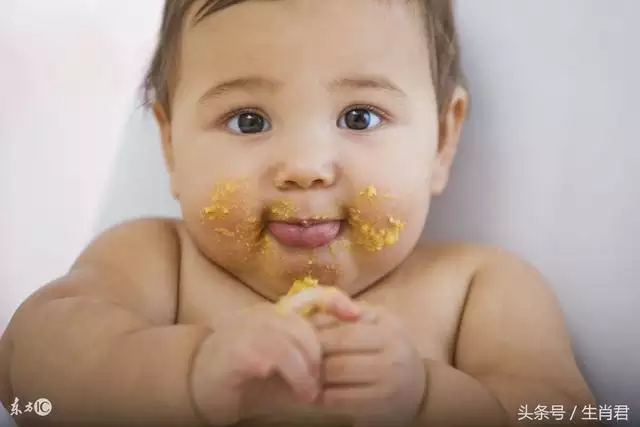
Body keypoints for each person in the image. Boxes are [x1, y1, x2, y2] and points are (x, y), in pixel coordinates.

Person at [0, 0, 596, 425]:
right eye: (248, 120)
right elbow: (24, 382)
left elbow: (566, 414)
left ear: (442, 139)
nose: (305, 166)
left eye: (360, 116)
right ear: (171, 145)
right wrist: (190, 378)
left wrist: (426, 401)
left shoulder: (477, 291)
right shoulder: (157, 262)